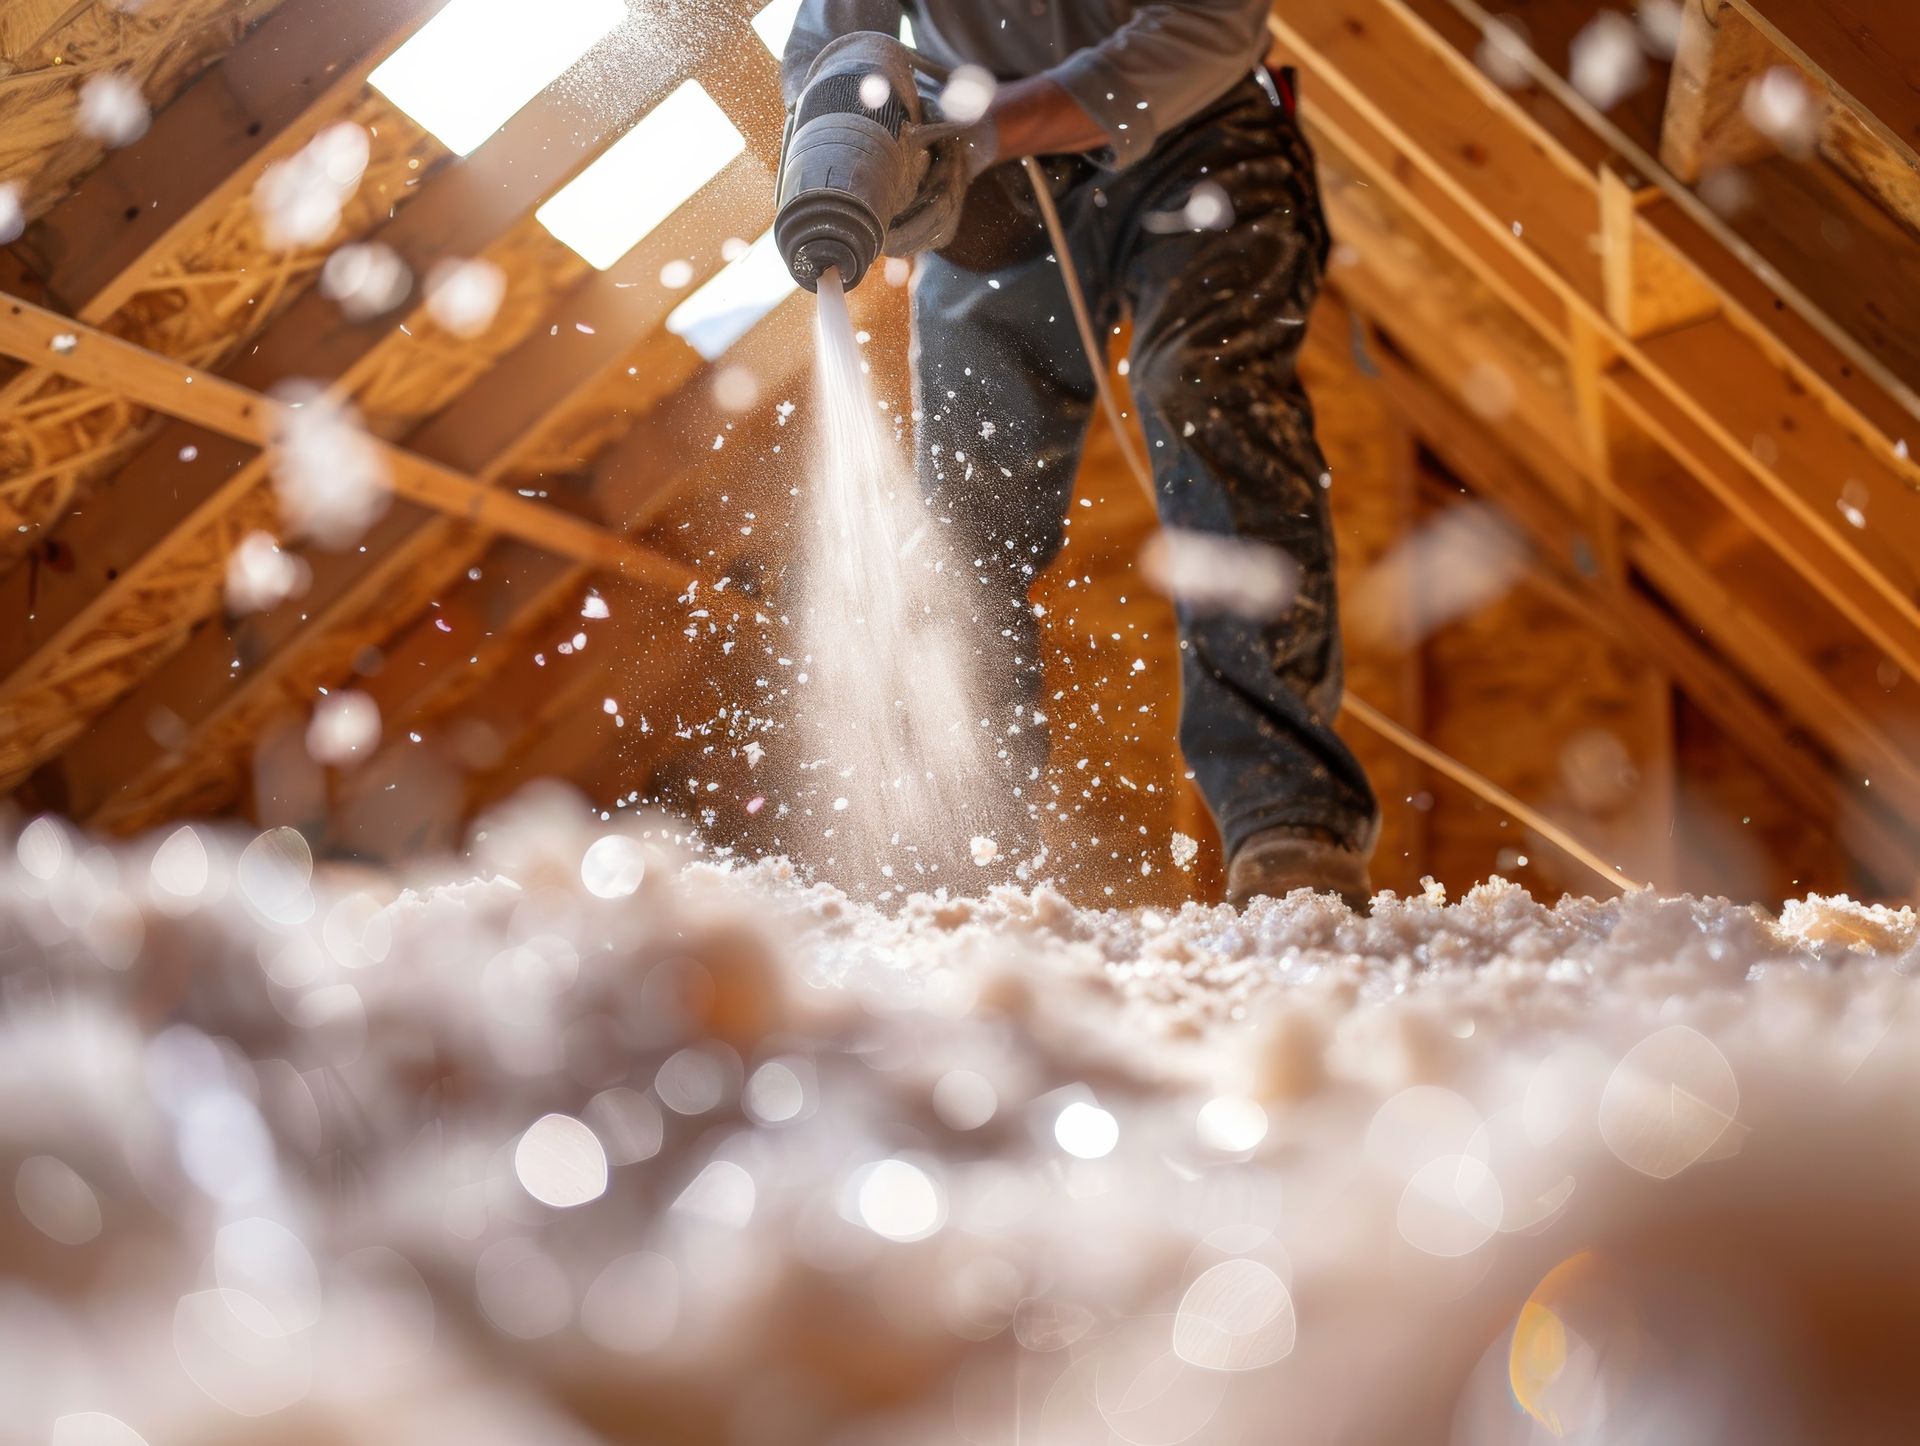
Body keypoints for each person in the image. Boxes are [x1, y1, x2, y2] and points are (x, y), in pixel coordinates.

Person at [779, 0, 1380, 908]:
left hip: (1199, 130)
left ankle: (1288, 823)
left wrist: (993, 130)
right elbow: (833, 42)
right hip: (982, 180)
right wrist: (851, 131)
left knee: (1210, 398)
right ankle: (962, 854)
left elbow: (1210, 26)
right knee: (968, 505)